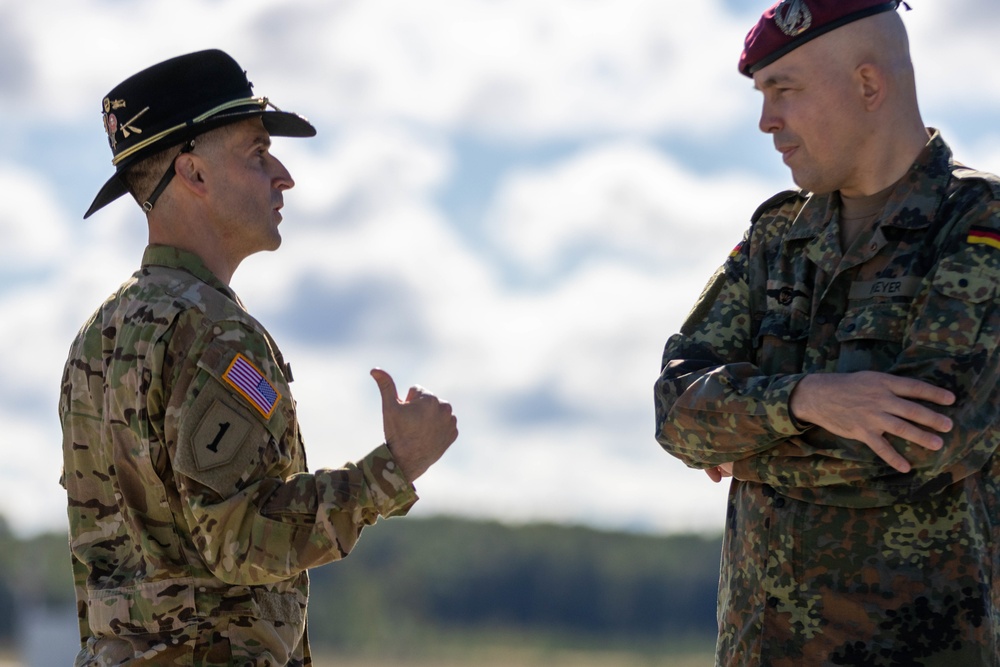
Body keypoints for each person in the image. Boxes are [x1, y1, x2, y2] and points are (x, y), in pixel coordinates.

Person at [59, 49, 458, 665]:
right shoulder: (215, 334)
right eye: (257, 152)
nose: (283, 176)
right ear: (192, 173)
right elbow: (239, 540)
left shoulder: (98, 334)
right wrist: (393, 469)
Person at [654, 1, 1000, 664]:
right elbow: (675, 412)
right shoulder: (776, 238)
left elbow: (909, 447)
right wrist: (803, 399)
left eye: (784, 89)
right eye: (762, 95)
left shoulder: (978, 226)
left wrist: (742, 435)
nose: (766, 122)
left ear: (869, 86)